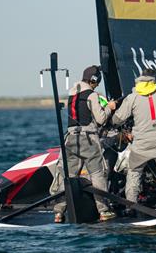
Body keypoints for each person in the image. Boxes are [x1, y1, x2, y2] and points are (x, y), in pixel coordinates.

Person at [52, 65, 116, 223]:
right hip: (88, 139)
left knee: (68, 176)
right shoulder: (92, 95)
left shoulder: (71, 94)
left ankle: (58, 213)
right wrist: (109, 107)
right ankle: (104, 211)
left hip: (70, 139)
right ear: (94, 80)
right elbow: (101, 119)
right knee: (98, 174)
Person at [112, 68, 156, 212]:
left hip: (141, 145)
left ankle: (131, 205)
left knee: (134, 171)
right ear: (154, 80)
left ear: (140, 79)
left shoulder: (132, 97)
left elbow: (117, 119)